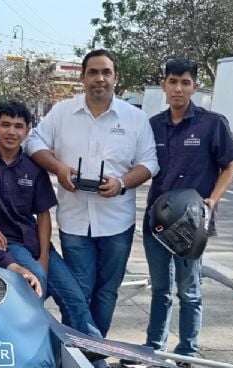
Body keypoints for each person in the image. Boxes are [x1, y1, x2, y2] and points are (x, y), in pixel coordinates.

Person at [25, 49, 159, 336]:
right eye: (93, 72)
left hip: (117, 222)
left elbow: (149, 163)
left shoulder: (135, 118)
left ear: (115, 78)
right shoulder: (62, 112)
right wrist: (59, 168)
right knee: (79, 290)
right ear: (83, 78)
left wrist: (121, 183)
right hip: (74, 221)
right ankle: (79, 353)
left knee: (106, 292)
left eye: (106, 72)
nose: (100, 78)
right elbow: (34, 143)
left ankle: (94, 352)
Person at [0, 100, 100, 335]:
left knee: (74, 297)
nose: (11, 131)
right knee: (35, 282)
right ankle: (27, 347)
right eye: (5, 125)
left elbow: (43, 214)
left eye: (18, 126)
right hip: (4, 244)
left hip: (34, 242)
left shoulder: (33, 167)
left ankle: (89, 353)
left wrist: (45, 257)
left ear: (27, 130)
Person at [143, 58, 233, 357]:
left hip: (192, 225)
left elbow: (229, 166)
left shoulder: (212, 124)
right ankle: (154, 348)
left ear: (195, 87)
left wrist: (212, 200)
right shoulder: (153, 126)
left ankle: (186, 350)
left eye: (185, 82)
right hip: (157, 222)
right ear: (164, 86)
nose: (178, 89)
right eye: (172, 82)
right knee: (160, 290)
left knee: (189, 290)